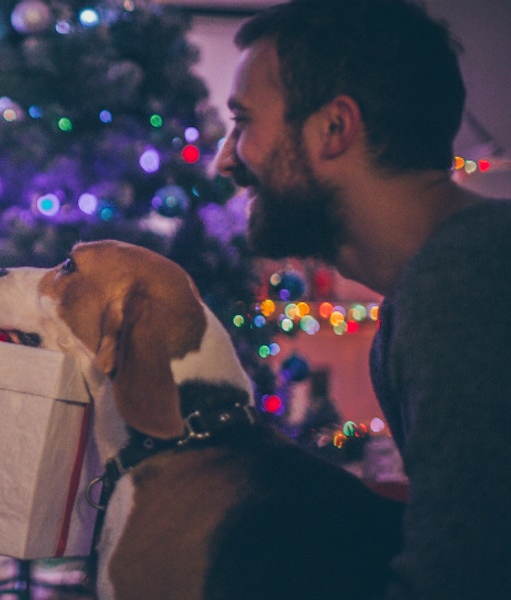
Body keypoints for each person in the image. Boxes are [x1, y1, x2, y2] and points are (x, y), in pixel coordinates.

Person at [214, 0, 511, 597]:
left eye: (243, 122)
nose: (225, 159)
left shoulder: (465, 280)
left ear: (334, 128)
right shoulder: (433, 285)